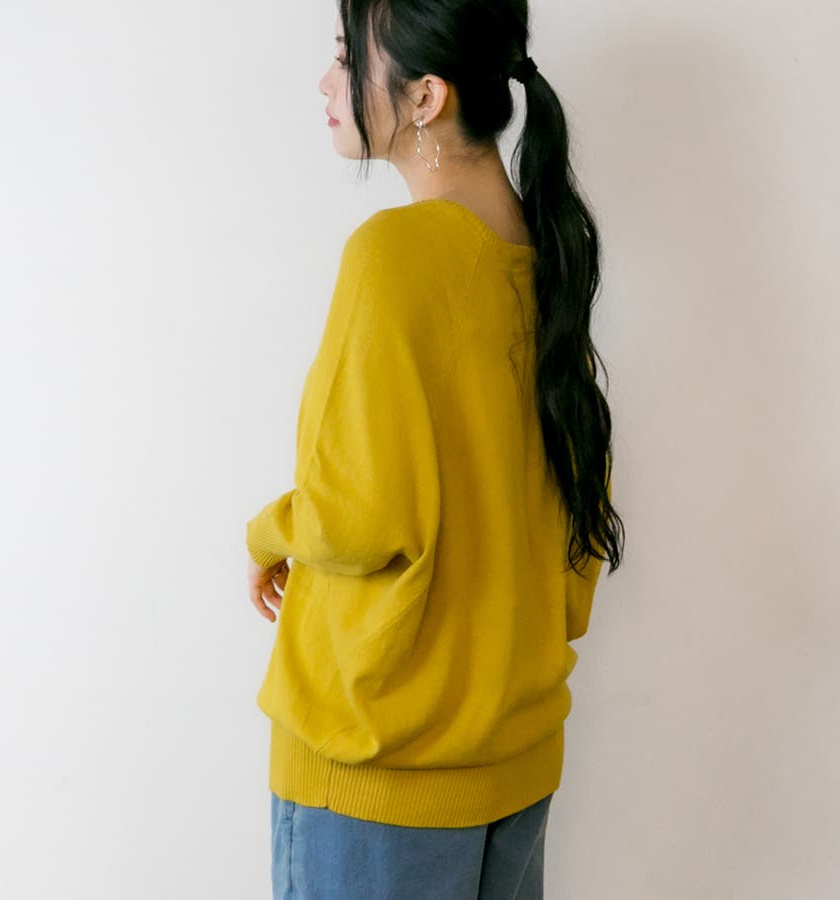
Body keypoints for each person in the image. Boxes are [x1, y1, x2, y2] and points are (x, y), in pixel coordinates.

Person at [245, 1, 625, 897]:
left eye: (347, 57)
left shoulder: (394, 257)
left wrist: (268, 534)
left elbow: (356, 513)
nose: (328, 83)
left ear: (426, 96)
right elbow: (577, 526)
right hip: (515, 763)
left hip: (381, 773)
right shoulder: (549, 258)